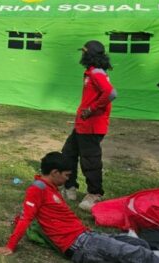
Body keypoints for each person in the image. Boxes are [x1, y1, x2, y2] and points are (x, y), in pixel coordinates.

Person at [0, 152, 159, 262]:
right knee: (138, 253)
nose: (68, 179)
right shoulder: (38, 189)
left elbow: (25, 215)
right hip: (81, 245)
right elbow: (26, 218)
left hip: (87, 237)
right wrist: (10, 246)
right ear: (54, 172)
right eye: (66, 175)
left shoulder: (51, 188)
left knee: (137, 243)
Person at [62, 40, 116, 212]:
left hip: (92, 125)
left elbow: (111, 93)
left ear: (89, 54)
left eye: (84, 52)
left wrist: (91, 109)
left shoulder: (97, 73)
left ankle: (95, 194)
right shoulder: (92, 72)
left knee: (90, 160)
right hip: (83, 124)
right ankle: (70, 188)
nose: (82, 55)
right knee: (69, 153)